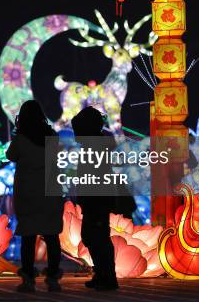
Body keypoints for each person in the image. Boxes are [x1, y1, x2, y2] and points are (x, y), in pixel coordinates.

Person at [6, 100, 64, 293]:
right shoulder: (52, 137)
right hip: (50, 191)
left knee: (28, 237)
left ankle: (28, 279)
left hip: (28, 192)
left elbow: (10, 156)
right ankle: (53, 278)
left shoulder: (21, 139)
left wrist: (17, 134)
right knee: (52, 236)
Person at [71, 106, 121, 291]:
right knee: (94, 237)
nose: (75, 134)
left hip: (97, 200)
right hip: (94, 200)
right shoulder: (94, 146)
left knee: (97, 237)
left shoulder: (95, 147)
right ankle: (103, 274)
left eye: (77, 130)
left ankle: (107, 276)